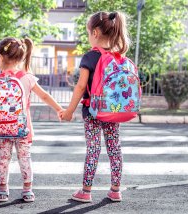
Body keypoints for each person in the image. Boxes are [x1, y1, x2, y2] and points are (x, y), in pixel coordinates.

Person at [60, 11, 130, 203]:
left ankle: (86, 191)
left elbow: (81, 87)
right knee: (115, 148)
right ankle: (115, 190)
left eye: (89, 33)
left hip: (92, 111)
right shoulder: (118, 56)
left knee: (93, 149)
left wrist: (68, 112)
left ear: (96, 32)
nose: (89, 37)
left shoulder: (90, 57)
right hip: (113, 111)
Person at [0, 37, 63, 202]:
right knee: (24, 157)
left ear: (2, 58)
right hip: (23, 126)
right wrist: (60, 109)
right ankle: (27, 190)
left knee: (3, 158)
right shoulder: (27, 78)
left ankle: (3, 190)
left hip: (2, 127)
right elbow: (45, 96)